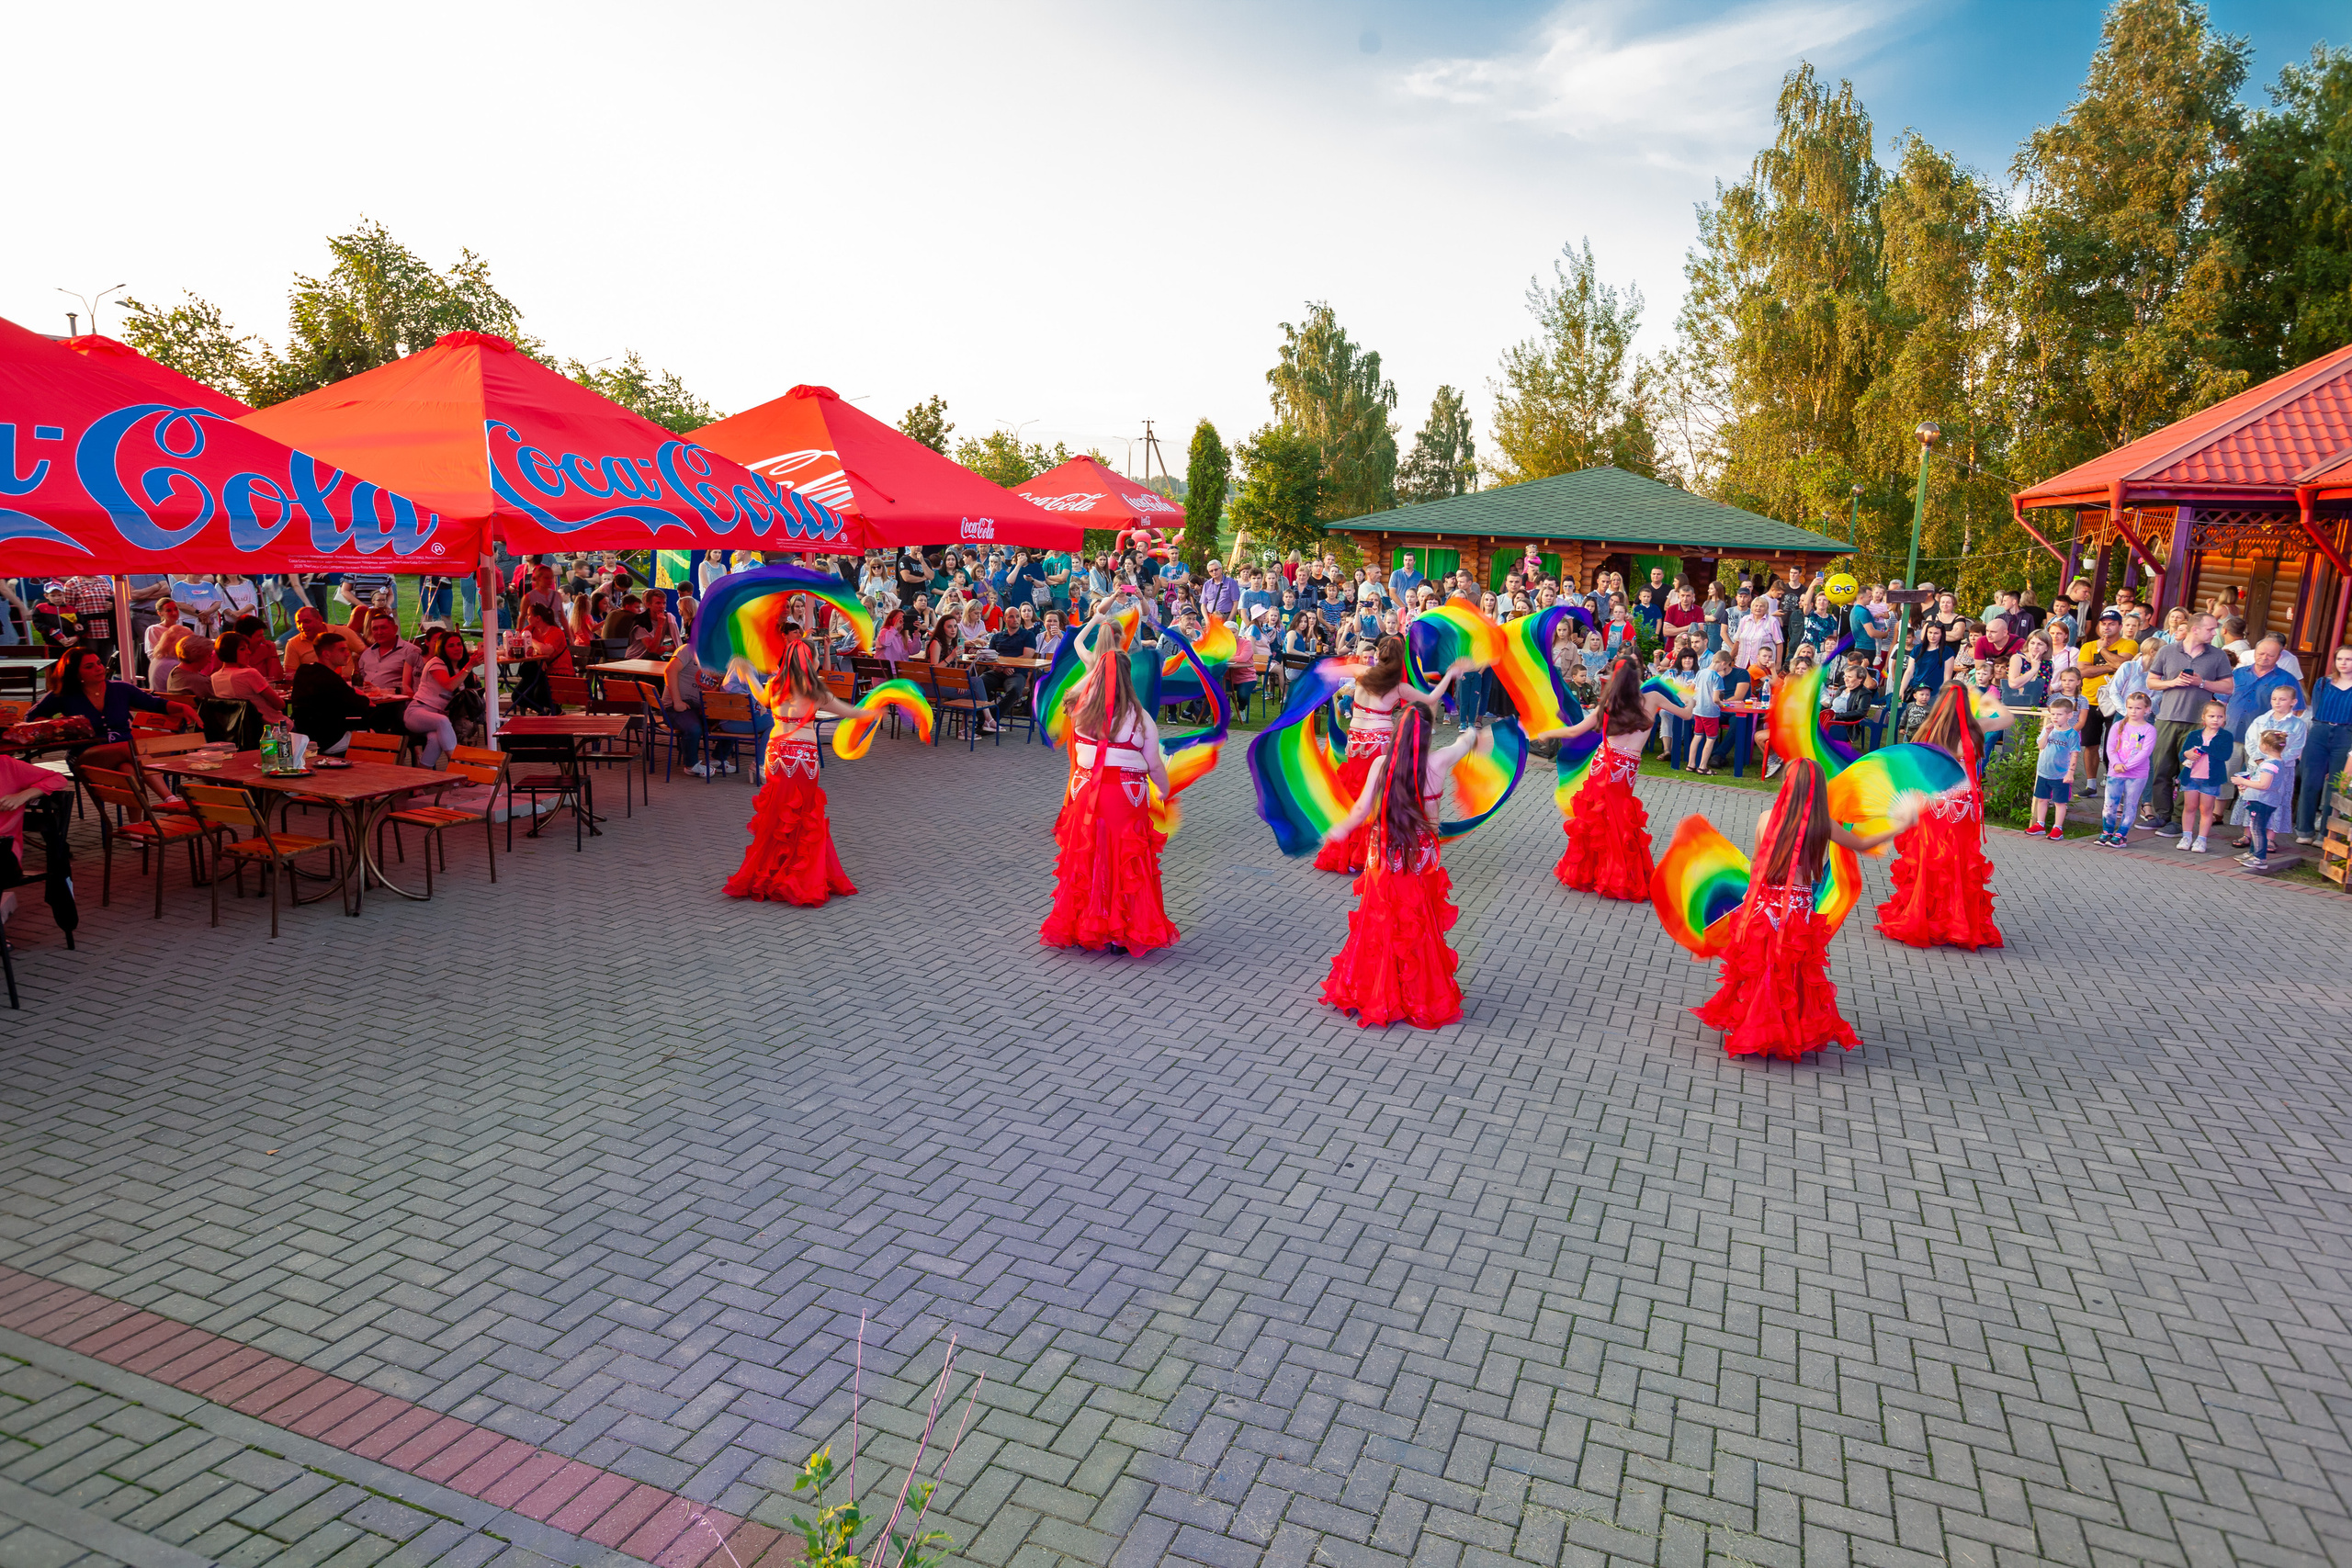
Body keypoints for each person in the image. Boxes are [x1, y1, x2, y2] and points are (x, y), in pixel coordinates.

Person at [1686, 760, 1911, 1061]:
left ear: (1786, 784)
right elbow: (1861, 843)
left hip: (1765, 905)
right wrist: (1902, 824)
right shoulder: (1822, 825)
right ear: (1818, 791)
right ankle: (1786, 1030)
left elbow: (1755, 864)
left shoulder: (1767, 818)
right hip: (1798, 910)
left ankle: (1757, 1026)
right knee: (1793, 970)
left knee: (1763, 967)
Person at [1317, 705, 1489, 1029]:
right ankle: (1415, 995)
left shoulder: (1382, 763)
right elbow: (1464, 743)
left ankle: (1373, 990)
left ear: (1397, 731)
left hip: (1382, 855)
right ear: (1428, 734)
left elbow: (1359, 811)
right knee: (1416, 924)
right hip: (1418, 857)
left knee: (1379, 922)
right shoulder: (1436, 762)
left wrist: (1335, 830)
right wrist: (1474, 734)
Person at [1041, 614, 1179, 954]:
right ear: (1129, 677)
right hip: (1125, 795)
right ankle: (1121, 931)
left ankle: (1083, 924)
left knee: (1087, 855)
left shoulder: (1081, 706)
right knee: (1123, 858)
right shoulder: (1140, 716)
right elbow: (1154, 764)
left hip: (1084, 791)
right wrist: (1164, 789)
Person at [723, 630, 863, 906]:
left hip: (775, 755)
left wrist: (746, 671)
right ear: (809, 661)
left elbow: (761, 697)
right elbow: (850, 712)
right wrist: (880, 706)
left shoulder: (775, 685)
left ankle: (769, 873)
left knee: (776, 815)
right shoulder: (815, 691)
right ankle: (798, 877)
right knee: (804, 815)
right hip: (803, 758)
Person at [1873, 681, 2013, 951]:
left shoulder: (1927, 731)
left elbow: (1911, 766)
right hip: (1962, 809)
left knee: (1928, 861)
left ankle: (1922, 917)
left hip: (1932, 805)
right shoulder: (1975, 727)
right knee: (1957, 864)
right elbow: (2007, 718)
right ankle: (1955, 922)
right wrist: (1986, 699)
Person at [1541, 660, 1694, 900]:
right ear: (1638, 678)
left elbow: (1574, 730)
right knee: (1620, 821)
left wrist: (1547, 733)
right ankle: (1619, 876)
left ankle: (1592, 873)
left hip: (1603, 763)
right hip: (1625, 768)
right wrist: (1690, 699)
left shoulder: (1609, 702)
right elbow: (1686, 714)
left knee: (1598, 818)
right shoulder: (1652, 697)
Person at [1314, 636, 1462, 874]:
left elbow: (1327, 671)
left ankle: (1349, 854)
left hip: (1356, 745)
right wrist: (1449, 675)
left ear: (1380, 654)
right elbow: (1432, 699)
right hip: (1378, 747)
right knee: (1373, 798)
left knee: (1356, 795)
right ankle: (1362, 855)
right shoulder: (1398, 687)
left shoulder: (1362, 672)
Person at [31, 647, 198, 773]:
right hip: (85, 756)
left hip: (126, 755)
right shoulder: (64, 694)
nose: (98, 668)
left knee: (129, 770)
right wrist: (57, 726)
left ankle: (148, 812)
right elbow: (31, 717)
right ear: (75, 673)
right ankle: (169, 797)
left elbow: (155, 704)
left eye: (98, 663)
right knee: (130, 749)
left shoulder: (121, 689)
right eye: (89, 667)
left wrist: (183, 706)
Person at [2143, 614, 2235, 836]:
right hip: (2167, 717)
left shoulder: (2218, 655)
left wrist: (2202, 683)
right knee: (2162, 770)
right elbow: (2151, 681)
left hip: (2198, 723)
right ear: (2195, 630)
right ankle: (2163, 815)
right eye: (2211, 629)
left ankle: (2178, 820)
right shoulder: (2167, 651)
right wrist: (2172, 682)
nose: (2215, 633)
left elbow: (2228, 687)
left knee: (2190, 772)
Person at [2295, 645, 2352, 844]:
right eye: (2340, 659)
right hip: (2319, 732)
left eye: (2349, 659)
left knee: (2336, 786)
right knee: (2310, 781)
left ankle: (2327, 834)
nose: (2343, 663)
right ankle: (2304, 831)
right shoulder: (2322, 683)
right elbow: (2316, 712)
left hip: (2346, 734)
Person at [404, 632, 483, 770]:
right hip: (417, 712)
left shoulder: (461, 667)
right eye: (451, 646)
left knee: (435, 739)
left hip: (440, 717)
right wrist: (469, 667)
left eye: (459, 644)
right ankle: (458, 768)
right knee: (442, 721)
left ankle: (420, 783)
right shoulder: (436, 663)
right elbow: (449, 685)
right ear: (442, 649)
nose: (457, 648)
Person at [291, 637, 375, 756]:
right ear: (326, 654)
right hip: (329, 741)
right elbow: (361, 705)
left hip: (303, 738)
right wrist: (363, 698)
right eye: (342, 650)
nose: (347, 654)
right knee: (374, 735)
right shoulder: (331, 678)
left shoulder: (303, 671)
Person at [2096, 690, 2157, 846]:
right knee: (2110, 804)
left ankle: (2122, 834)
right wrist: (2116, 764)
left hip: (2137, 774)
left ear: (2147, 710)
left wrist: (2127, 766)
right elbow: (2110, 748)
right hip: (2116, 771)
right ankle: (2107, 831)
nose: (2133, 711)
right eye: (2130, 708)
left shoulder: (2149, 730)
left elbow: (2145, 752)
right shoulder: (2118, 725)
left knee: (2130, 804)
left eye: (2138, 708)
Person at [2175, 699, 2233, 853]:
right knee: (2189, 807)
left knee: (2206, 810)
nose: (2215, 720)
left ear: (2225, 718)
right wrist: (2187, 753)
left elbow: (2225, 754)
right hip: (2191, 776)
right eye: (2212, 716)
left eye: (2220, 717)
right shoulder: (2194, 734)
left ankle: (2201, 839)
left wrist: (2205, 748)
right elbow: (2182, 755)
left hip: (2210, 779)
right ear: (2204, 717)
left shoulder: (2226, 736)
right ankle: (2186, 836)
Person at [2232, 728, 2291, 872]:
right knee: (2255, 828)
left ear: (2265, 746)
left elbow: (2264, 785)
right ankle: (2253, 853)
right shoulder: (2277, 762)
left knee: (2257, 829)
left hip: (2262, 801)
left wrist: (2243, 782)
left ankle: (2260, 858)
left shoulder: (2269, 764)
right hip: (2264, 800)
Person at [2026, 695, 2080, 840]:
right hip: (2044, 771)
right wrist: (2047, 733)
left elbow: (2075, 754)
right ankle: (2040, 824)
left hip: (2060, 774)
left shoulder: (2072, 734)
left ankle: (2058, 827)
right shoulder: (2048, 729)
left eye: (2059, 714)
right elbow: (2041, 745)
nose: (2055, 717)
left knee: (2059, 802)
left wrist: (2070, 773)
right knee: (2042, 799)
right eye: (2053, 714)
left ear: (2069, 715)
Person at [210, 632, 288, 726]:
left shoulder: (214, 678)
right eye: (242, 649)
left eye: (248, 648)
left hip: (238, 729)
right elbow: (280, 705)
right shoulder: (249, 674)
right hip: (272, 727)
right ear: (229, 651)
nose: (249, 652)